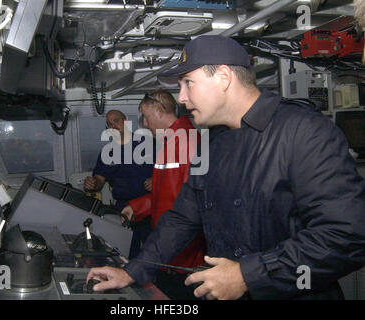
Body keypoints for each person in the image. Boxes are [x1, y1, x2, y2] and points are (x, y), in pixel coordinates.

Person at [87, 35, 365, 300]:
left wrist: (248, 276)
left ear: (223, 78)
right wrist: (132, 271)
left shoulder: (303, 131)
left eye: (187, 83)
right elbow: (182, 219)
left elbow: (347, 235)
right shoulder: (213, 143)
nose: (181, 97)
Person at [119, 89, 206, 299]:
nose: (145, 125)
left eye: (146, 118)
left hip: (183, 259)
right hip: (169, 251)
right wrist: (136, 207)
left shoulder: (187, 142)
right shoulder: (171, 142)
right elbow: (165, 193)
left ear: (159, 111)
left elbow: (191, 204)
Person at [84, 109, 153, 259]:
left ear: (126, 120)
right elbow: (99, 181)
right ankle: (132, 281)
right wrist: (92, 183)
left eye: (116, 120)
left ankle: (154, 281)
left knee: (154, 251)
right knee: (126, 252)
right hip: (123, 208)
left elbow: (167, 171)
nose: (113, 126)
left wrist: (156, 181)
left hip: (149, 206)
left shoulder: (147, 143)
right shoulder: (107, 152)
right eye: (109, 124)